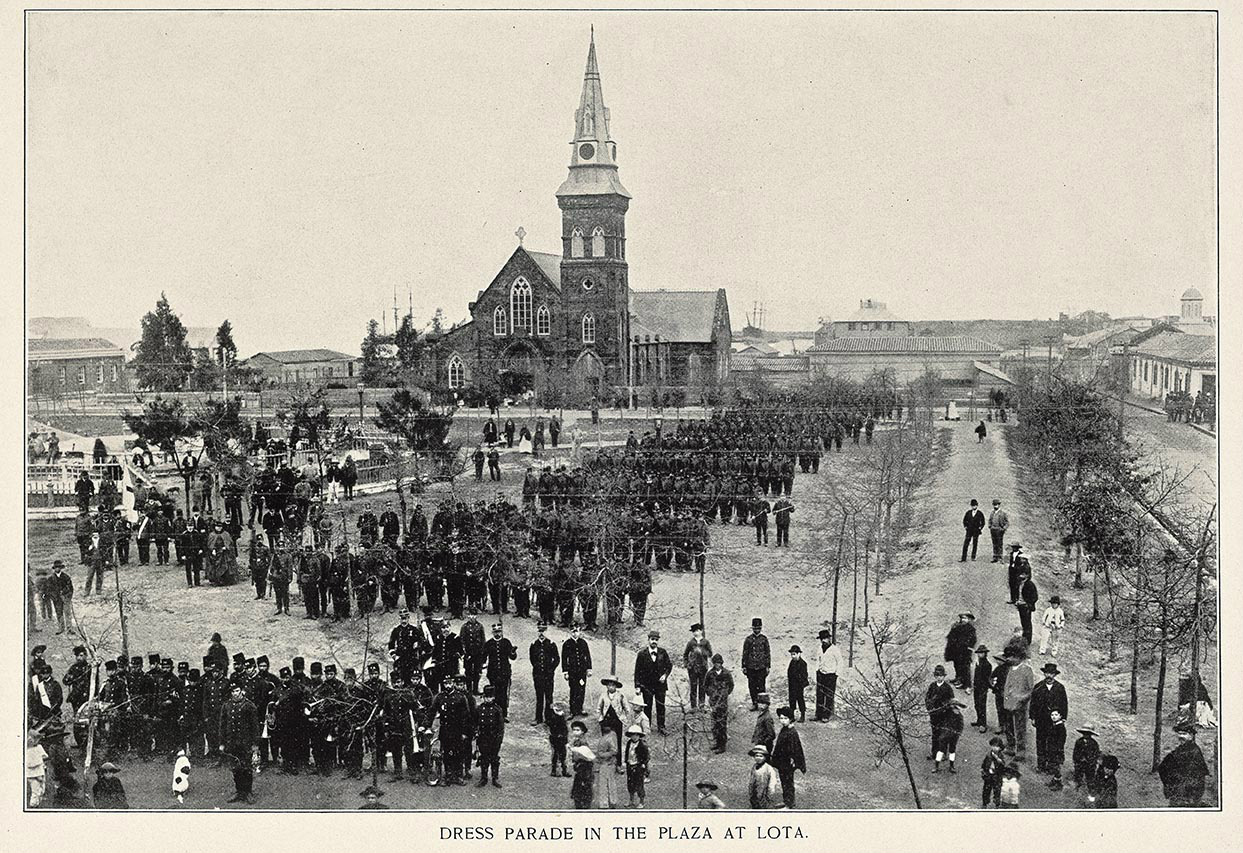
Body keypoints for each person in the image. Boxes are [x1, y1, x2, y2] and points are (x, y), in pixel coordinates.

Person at [219, 683, 258, 803]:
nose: (235, 693)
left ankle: (248, 792)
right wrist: (222, 743)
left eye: (237, 690)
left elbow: (255, 726)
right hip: (232, 742)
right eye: (233, 691)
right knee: (235, 768)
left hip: (245, 742)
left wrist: (255, 744)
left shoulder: (249, 706)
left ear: (242, 691)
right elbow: (222, 725)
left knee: (246, 767)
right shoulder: (226, 706)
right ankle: (239, 791)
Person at [1158, 721, 1209, 807]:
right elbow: (1163, 766)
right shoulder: (1181, 749)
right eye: (1179, 733)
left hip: (1187, 795)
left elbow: (1197, 777)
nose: (1181, 736)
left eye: (1184, 734)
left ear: (1191, 736)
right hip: (1177, 791)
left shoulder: (1194, 751)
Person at [633, 630, 672, 735]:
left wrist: (665, 675)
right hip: (647, 686)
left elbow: (669, 666)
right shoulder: (642, 654)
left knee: (661, 706)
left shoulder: (663, 652)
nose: (654, 641)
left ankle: (662, 727)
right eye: (652, 639)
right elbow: (637, 671)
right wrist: (637, 686)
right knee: (647, 707)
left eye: (656, 640)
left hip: (660, 686)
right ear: (648, 640)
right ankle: (647, 727)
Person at [1002, 649, 1035, 761]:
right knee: (1009, 726)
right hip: (1008, 704)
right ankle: (1011, 746)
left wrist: (1022, 698)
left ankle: (1020, 751)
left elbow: (1031, 690)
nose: (1009, 659)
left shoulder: (1027, 670)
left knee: (1020, 728)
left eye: (1011, 656)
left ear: (1018, 658)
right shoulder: (1010, 669)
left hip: (1020, 705)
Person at [771, 706, 806, 808]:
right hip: (782, 762)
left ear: (790, 719)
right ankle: (786, 801)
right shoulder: (785, 729)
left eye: (785, 718)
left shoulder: (792, 732)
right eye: (781, 718)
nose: (783, 721)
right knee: (784, 782)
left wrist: (793, 761)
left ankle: (789, 804)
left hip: (787, 763)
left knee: (788, 783)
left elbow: (795, 750)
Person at [473, 684, 505, 788]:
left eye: (490, 697)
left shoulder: (497, 710)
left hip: (494, 738)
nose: (488, 699)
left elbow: (501, 727)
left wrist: (499, 739)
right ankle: (484, 778)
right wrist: (476, 733)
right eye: (486, 697)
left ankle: (495, 778)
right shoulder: (479, 709)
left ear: (494, 697)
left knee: (494, 759)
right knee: (484, 758)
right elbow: (475, 723)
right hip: (483, 738)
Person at [530, 621, 560, 725]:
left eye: (543, 630)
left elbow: (557, 659)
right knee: (539, 697)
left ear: (546, 631)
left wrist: (551, 669)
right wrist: (537, 669)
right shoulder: (534, 644)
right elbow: (532, 659)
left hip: (548, 675)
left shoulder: (551, 644)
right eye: (539, 630)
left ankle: (549, 718)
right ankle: (538, 718)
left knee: (549, 697)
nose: (541, 633)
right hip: (538, 675)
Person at [596, 674, 629, 769]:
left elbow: (627, 709)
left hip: (617, 721)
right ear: (606, 686)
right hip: (606, 721)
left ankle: (618, 764)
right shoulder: (603, 695)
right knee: (605, 742)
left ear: (616, 686)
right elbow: (598, 708)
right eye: (609, 685)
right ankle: (604, 764)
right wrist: (600, 718)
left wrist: (623, 718)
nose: (611, 687)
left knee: (617, 742)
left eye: (613, 685)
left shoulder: (621, 696)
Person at [704, 654, 734, 753]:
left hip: (722, 703)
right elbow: (705, 685)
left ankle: (722, 745)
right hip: (713, 702)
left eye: (719, 663)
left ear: (722, 663)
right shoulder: (710, 673)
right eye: (716, 663)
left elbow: (731, 686)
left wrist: (724, 694)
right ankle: (716, 742)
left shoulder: (726, 673)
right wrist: (711, 694)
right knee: (714, 723)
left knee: (722, 724)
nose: (718, 665)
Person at [561, 623, 592, 717]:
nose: (575, 634)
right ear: (570, 632)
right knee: (573, 690)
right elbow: (564, 658)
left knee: (582, 689)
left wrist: (589, 669)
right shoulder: (567, 644)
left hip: (582, 671)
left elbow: (588, 656)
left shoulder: (583, 643)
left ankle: (580, 708)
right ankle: (572, 710)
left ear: (579, 632)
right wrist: (565, 672)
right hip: (572, 672)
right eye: (573, 631)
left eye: (577, 631)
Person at [924, 665, 955, 760]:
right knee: (935, 734)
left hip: (944, 715)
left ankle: (942, 753)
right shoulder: (932, 686)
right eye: (937, 676)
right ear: (935, 676)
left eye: (941, 676)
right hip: (934, 714)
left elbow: (951, 700)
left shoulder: (947, 688)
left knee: (943, 734)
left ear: (944, 677)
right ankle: (934, 752)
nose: (939, 678)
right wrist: (930, 709)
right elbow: (927, 698)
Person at [741, 617, 771, 710]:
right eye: (755, 628)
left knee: (761, 685)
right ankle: (754, 703)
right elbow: (745, 653)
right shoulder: (748, 639)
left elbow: (767, 653)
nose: (757, 630)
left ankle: (762, 703)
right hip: (751, 667)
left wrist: (768, 666)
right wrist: (744, 666)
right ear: (752, 628)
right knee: (752, 686)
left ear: (761, 628)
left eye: (758, 628)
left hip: (761, 667)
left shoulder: (764, 639)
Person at [682, 624, 713, 711]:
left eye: (697, 631)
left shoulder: (705, 642)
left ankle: (702, 705)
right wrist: (687, 664)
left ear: (701, 631)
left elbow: (710, 653)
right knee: (693, 687)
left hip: (703, 668)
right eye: (694, 631)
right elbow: (685, 654)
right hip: (693, 668)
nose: (695, 633)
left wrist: (702, 652)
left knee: (702, 686)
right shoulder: (691, 643)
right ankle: (694, 706)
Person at [814, 629, 842, 721]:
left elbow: (840, 662)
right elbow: (818, 659)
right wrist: (817, 670)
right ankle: (818, 714)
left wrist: (836, 674)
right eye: (821, 639)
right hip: (821, 674)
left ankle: (826, 715)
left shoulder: (834, 649)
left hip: (830, 675)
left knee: (829, 696)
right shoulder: (819, 648)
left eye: (825, 638)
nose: (823, 641)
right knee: (819, 695)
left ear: (829, 639)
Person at [944, 613, 977, 690]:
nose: (963, 620)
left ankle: (966, 684)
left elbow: (973, 640)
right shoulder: (957, 627)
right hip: (956, 650)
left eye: (965, 618)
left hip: (965, 651)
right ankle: (958, 678)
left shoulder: (971, 629)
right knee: (957, 665)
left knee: (965, 667)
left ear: (969, 619)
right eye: (962, 618)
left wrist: (968, 647)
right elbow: (951, 636)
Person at [933, 699, 966, 774]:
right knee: (941, 750)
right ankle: (936, 766)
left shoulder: (958, 715)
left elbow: (960, 726)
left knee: (952, 750)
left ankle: (951, 766)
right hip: (945, 734)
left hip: (953, 736)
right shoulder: (946, 713)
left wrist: (957, 733)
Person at [569, 722, 595, 809]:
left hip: (585, 767)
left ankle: (584, 805)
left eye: (578, 730)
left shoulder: (583, 741)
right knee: (579, 786)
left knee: (584, 786)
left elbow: (586, 755)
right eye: (574, 730)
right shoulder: (575, 740)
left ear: (582, 731)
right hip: (579, 766)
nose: (575, 732)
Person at [748, 744, 780, 809]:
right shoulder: (754, 767)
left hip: (765, 794)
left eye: (761, 756)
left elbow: (772, 783)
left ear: (765, 757)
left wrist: (770, 794)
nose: (758, 758)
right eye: (756, 756)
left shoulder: (768, 768)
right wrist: (751, 791)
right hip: (755, 792)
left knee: (765, 808)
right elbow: (751, 780)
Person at [623, 725, 649, 808]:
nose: (634, 737)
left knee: (639, 784)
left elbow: (646, 756)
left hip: (638, 766)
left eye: (636, 735)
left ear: (639, 736)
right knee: (630, 783)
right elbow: (627, 753)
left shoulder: (642, 745)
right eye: (632, 735)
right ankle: (631, 800)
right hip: (630, 765)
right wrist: (626, 762)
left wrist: (643, 764)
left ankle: (641, 801)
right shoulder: (629, 743)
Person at [1072, 724, 1101, 790]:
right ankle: (1077, 788)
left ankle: (1090, 792)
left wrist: (1091, 761)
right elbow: (1075, 752)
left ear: (1091, 734)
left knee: (1090, 778)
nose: (1086, 735)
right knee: (1078, 775)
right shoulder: (1079, 742)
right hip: (1080, 763)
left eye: (1088, 734)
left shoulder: (1094, 743)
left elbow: (1096, 754)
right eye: (1084, 733)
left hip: (1090, 764)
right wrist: (1076, 760)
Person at [971, 644, 993, 732]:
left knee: (982, 705)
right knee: (976, 704)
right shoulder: (978, 663)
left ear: (985, 654)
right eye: (979, 653)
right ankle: (979, 720)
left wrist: (986, 687)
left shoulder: (987, 665)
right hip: (977, 687)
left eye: (981, 653)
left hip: (983, 688)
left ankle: (983, 724)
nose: (979, 655)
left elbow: (987, 678)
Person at [981, 737, 1006, 808]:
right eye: (993, 746)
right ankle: (985, 803)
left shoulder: (1001, 756)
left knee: (997, 791)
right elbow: (984, 763)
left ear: (1000, 748)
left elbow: (1003, 765)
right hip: (988, 775)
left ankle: (997, 804)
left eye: (997, 746)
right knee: (986, 790)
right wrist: (983, 771)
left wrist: (997, 759)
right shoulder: (988, 755)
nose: (995, 748)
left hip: (997, 776)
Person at [1016, 569, 1039, 645]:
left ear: (1027, 575)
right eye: (1021, 574)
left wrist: (1028, 604)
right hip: (1020, 606)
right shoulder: (1020, 583)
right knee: (1023, 623)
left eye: (1023, 574)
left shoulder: (1030, 584)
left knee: (1027, 624)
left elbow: (1035, 597)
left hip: (1026, 607)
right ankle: (1024, 637)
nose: (1021, 576)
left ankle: (1028, 640)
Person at [548, 701, 570, 777]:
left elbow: (565, 729)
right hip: (555, 739)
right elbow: (552, 730)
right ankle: (555, 771)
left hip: (561, 739)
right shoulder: (553, 718)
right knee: (556, 755)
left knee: (563, 755)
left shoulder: (561, 717)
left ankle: (563, 770)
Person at [787, 645, 809, 723]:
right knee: (792, 700)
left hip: (799, 685)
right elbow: (789, 672)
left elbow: (804, 676)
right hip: (792, 684)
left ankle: (802, 715)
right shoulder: (792, 662)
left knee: (800, 700)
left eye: (794, 654)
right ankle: (792, 716)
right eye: (791, 654)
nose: (793, 656)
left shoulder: (803, 664)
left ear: (799, 654)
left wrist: (801, 684)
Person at [26, 730, 47, 808]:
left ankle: (37, 803)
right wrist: (40, 759)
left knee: (39, 790)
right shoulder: (31, 749)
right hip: (35, 773)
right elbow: (31, 764)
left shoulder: (37, 747)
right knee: (35, 791)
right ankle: (33, 806)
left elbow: (45, 756)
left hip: (36, 772)